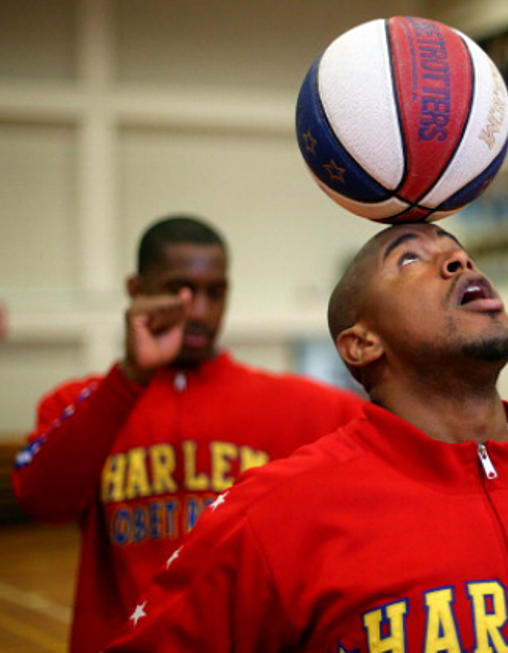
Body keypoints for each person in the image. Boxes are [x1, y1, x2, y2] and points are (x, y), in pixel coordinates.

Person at [105, 222, 508, 652]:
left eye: (459, 252)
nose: (457, 260)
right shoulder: (270, 518)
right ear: (361, 344)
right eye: (411, 259)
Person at [12, 215, 365, 653]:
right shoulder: (78, 403)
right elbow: (42, 502)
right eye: (181, 290)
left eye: (214, 293)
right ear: (137, 291)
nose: (198, 311)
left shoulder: (305, 406)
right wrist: (130, 377)